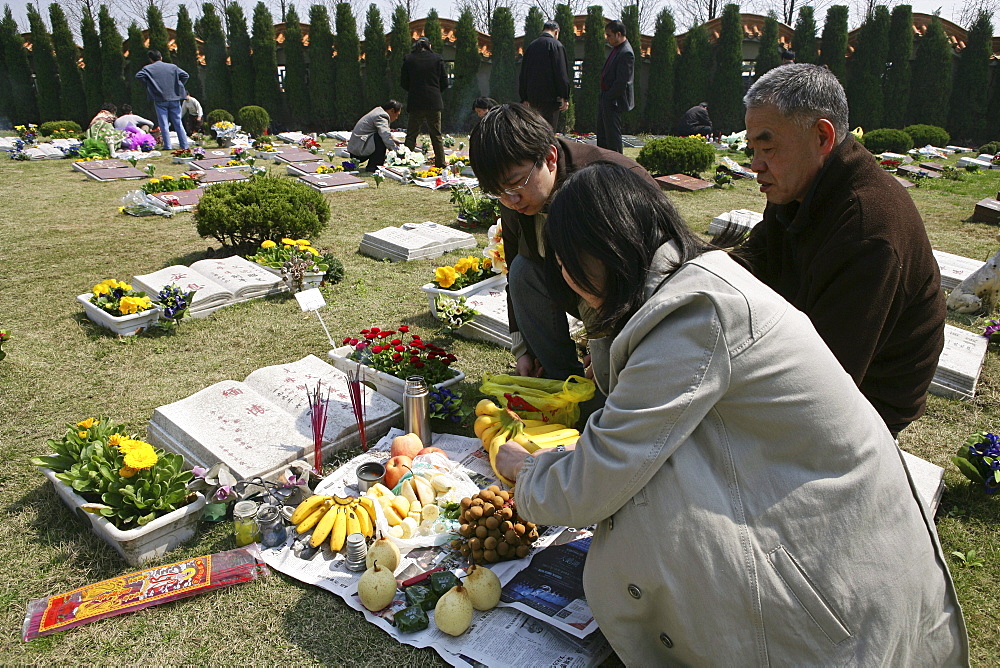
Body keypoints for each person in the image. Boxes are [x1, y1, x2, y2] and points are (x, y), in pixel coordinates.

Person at [494, 163, 968, 665]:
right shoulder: (693, 285)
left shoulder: (692, 318)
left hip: (838, 603)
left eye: (569, 263)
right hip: (844, 551)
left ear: (604, 251)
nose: (565, 278)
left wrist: (528, 474)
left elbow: (597, 480)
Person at [736, 64, 945, 436]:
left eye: (767, 147)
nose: (756, 165)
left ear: (821, 136)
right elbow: (754, 262)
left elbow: (826, 381)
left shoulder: (869, 229)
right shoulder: (798, 185)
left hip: (866, 403)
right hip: (812, 343)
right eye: (753, 148)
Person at [469, 103, 656, 382]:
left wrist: (611, 345)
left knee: (609, 398)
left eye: (516, 183)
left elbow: (651, 277)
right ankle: (562, 380)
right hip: (578, 289)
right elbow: (513, 269)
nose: (510, 200)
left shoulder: (610, 181)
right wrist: (525, 348)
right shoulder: (515, 195)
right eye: (498, 192)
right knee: (523, 269)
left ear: (550, 157)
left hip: (634, 297)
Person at [401, 36, 448, 169]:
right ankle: (441, 163)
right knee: (436, 134)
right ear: (429, 46)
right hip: (434, 101)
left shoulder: (409, 59)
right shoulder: (437, 58)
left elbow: (403, 82)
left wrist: (414, 91)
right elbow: (444, 81)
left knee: (411, 134)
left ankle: (406, 162)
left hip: (416, 101)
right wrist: (436, 92)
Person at [519, 21, 570, 130]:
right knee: (549, 131)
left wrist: (524, 97)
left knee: (536, 131)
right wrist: (564, 96)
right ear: (556, 32)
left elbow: (523, 73)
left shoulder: (531, 46)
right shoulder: (556, 45)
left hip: (533, 98)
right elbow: (561, 73)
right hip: (551, 98)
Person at [135, 50, 189, 151]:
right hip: (174, 97)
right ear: (161, 57)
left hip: (159, 98)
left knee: (163, 124)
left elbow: (138, 76)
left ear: (151, 59)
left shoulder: (147, 68)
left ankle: (167, 146)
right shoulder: (172, 67)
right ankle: (184, 145)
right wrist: (178, 86)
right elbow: (185, 75)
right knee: (178, 122)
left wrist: (150, 85)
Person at [596, 20, 634, 153]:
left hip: (614, 100)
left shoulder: (626, 52)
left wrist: (608, 96)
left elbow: (622, 82)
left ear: (618, 34)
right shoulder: (617, 50)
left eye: (609, 35)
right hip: (607, 97)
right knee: (603, 134)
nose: (607, 38)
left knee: (612, 137)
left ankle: (616, 165)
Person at [347, 100, 402, 172]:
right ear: (392, 110)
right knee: (380, 138)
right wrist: (397, 153)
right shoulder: (382, 116)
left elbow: (384, 132)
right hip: (359, 150)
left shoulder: (378, 111)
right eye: (397, 114)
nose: (396, 118)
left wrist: (395, 140)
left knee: (380, 136)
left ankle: (374, 165)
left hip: (357, 147)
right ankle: (375, 166)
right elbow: (385, 135)